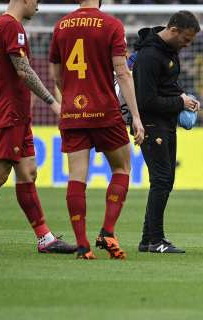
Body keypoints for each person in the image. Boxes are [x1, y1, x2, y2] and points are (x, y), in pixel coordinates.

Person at [0, 0, 76, 255]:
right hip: (8, 112)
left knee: (28, 171)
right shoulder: (13, 27)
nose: (39, 7)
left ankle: (45, 239)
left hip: (16, 114)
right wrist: (53, 102)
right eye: (38, 1)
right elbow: (23, 70)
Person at [49, 0, 145, 260]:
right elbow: (123, 73)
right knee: (122, 168)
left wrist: (70, 99)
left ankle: (82, 246)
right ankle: (107, 231)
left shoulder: (60, 26)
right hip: (105, 111)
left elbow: (56, 75)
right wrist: (135, 116)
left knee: (76, 177)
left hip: (72, 112)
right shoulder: (112, 25)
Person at [133, 11, 201, 254]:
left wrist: (185, 97)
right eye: (186, 38)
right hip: (151, 125)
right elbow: (146, 101)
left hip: (165, 124)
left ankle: (147, 239)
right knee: (161, 181)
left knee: (164, 180)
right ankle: (155, 240)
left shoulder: (168, 52)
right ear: (173, 31)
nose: (187, 44)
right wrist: (179, 103)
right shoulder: (150, 56)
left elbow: (167, 86)